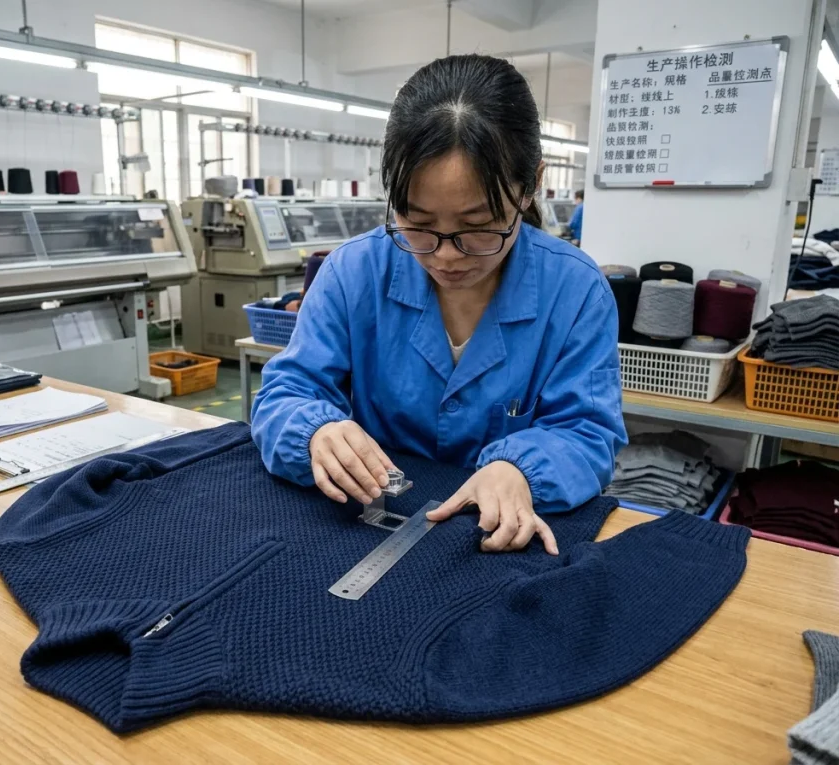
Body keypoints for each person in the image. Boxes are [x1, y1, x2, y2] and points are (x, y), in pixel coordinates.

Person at [250, 55, 626, 555]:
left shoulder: (576, 291)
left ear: (531, 184)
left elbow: (588, 431)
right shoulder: (353, 272)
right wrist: (315, 432)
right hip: (364, 530)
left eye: (478, 226)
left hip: (491, 542)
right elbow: (286, 393)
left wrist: (521, 469)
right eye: (419, 223)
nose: (446, 256)